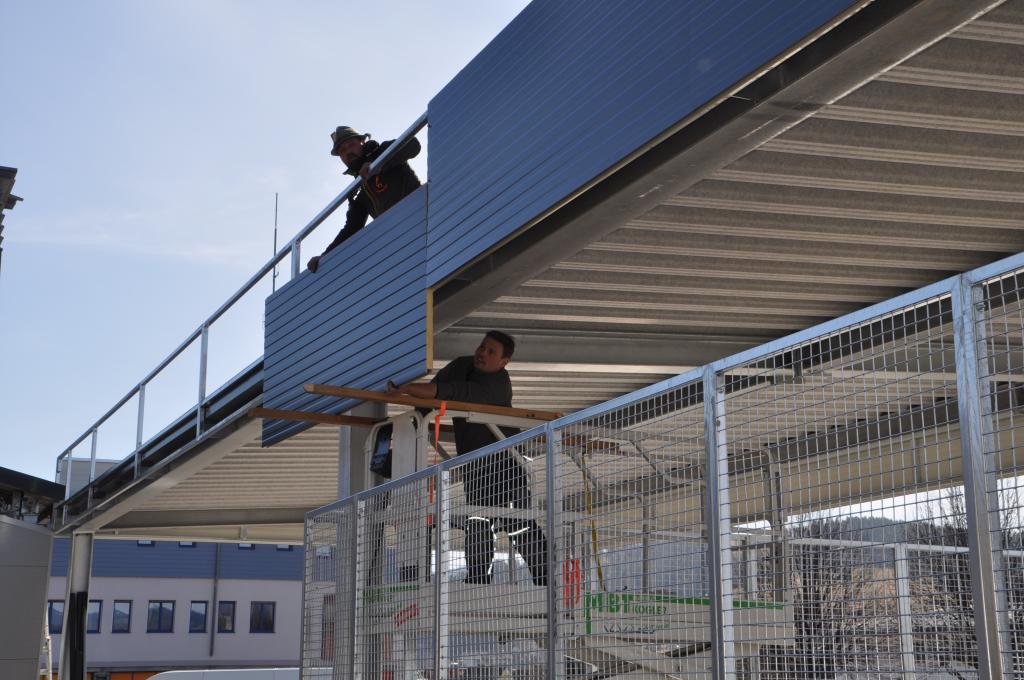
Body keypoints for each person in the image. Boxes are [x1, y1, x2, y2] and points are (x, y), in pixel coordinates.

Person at [387, 330, 548, 586]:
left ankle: (547, 581)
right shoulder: (461, 366)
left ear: (503, 362)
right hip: (477, 470)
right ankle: (477, 582)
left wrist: (407, 390)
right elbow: (433, 396)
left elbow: (450, 391)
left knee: (519, 525)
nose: (482, 353)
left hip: (507, 468)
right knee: (478, 523)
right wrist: (417, 417)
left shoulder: (497, 385)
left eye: (491, 352)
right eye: (482, 347)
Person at [307, 125, 422, 273]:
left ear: (362, 142)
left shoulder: (383, 151)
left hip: (421, 215)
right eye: (342, 150)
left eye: (351, 145)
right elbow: (352, 228)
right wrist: (324, 257)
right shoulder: (359, 189)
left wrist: (379, 164)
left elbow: (413, 145)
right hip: (399, 239)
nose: (348, 152)